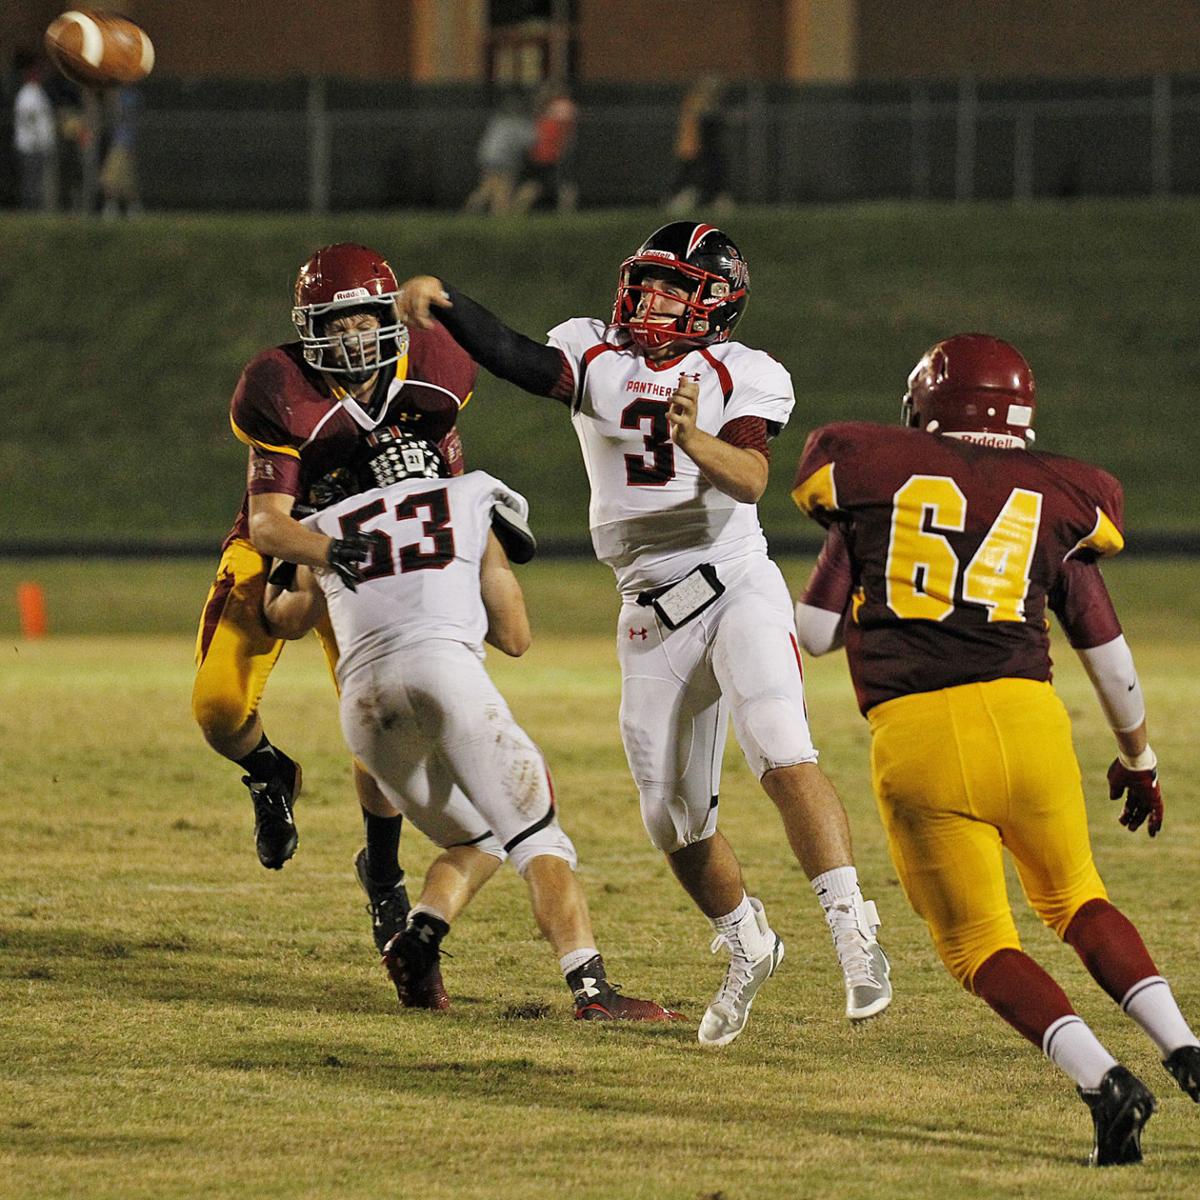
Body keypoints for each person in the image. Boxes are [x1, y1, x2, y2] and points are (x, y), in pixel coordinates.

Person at [394, 221, 892, 1047]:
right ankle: (748, 942)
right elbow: (518, 356)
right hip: (647, 612)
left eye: (675, 290)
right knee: (671, 819)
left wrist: (694, 440)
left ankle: (853, 934)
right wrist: (448, 306)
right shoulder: (594, 354)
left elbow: (753, 477)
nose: (653, 300)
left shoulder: (743, 371)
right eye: (649, 282)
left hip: (733, 584)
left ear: (716, 306)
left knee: (779, 745)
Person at [791, 333, 1199, 1166]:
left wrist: (857, 556)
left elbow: (815, 634)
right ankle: (1186, 1047)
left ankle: (1104, 1081)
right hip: (1031, 722)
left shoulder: (872, 474)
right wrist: (1140, 758)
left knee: (981, 943)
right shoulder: (1056, 498)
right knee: (1078, 896)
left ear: (925, 405)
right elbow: (1109, 659)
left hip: (920, 736)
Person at [262, 426, 681, 1021]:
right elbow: (515, 637)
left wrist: (295, 552)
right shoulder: (470, 497)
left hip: (363, 707)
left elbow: (284, 619)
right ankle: (593, 991)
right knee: (538, 839)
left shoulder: (331, 524)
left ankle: (420, 938)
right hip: (445, 678)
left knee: (476, 837)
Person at [192, 242, 477, 958]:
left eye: (362, 322)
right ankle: (270, 771)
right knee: (219, 709)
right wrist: (326, 557)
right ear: (308, 327)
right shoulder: (279, 385)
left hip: (374, 553)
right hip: (293, 539)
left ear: (387, 318)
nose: (351, 339)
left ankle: (382, 874)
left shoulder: (436, 374)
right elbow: (267, 523)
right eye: (335, 324)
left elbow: (444, 472)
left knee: (380, 729)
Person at [664, 77, 732, 217]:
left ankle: (713, 200)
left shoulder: (710, 106)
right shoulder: (696, 104)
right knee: (688, 177)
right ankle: (679, 201)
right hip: (695, 149)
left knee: (710, 176)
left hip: (706, 150)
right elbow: (692, 129)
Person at [462, 91, 534, 217]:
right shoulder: (519, 123)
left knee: (487, 187)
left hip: (487, 156)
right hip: (503, 158)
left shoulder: (498, 120)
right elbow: (530, 141)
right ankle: (498, 216)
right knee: (503, 187)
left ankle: (469, 212)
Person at [512, 83, 578, 214]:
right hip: (552, 153)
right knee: (564, 185)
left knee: (534, 184)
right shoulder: (562, 105)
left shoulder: (543, 108)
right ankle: (567, 214)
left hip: (538, 152)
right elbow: (566, 132)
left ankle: (514, 212)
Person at [12, 51, 56, 211]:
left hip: (37, 145)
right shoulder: (27, 94)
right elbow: (28, 119)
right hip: (31, 145)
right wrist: (37, 139)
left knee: (36, 180)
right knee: (31, 180)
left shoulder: (37, 92)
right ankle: (30, 208)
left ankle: (34, 208)